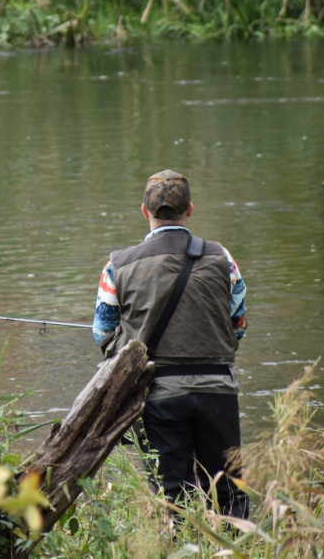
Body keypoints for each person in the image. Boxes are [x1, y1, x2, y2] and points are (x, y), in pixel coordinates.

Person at [92, 169, 250, 519]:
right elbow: (239, 324)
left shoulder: (117, 265)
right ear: (189, 210)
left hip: (158, 394)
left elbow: (103, 334)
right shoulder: (222, 257)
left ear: (144, 211)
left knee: (171, 496)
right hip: (218, 390)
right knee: (230, 491)